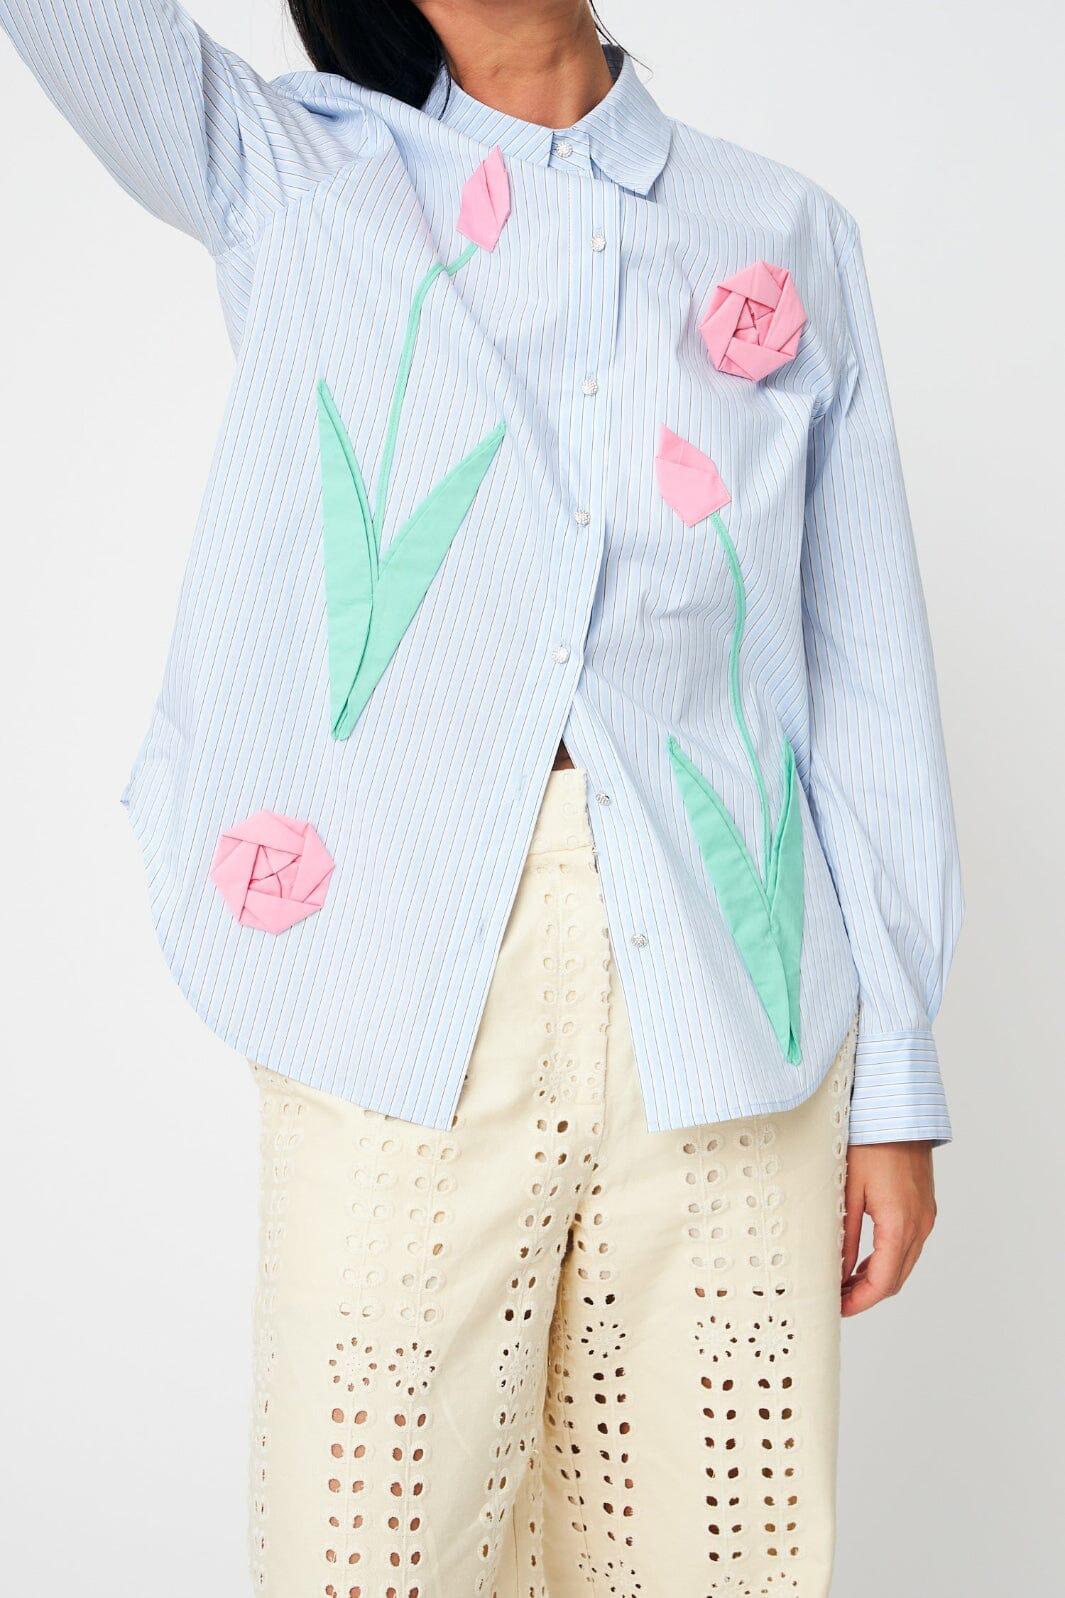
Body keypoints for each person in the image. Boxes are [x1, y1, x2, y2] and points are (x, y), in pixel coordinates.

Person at [0, 1, 962, 1591]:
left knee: (715, 1560)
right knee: (367, 1554)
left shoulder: (786, 234)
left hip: (734, 998)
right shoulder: (294, 177)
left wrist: (899, 1086)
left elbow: (862, 682)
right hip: (398, 980)